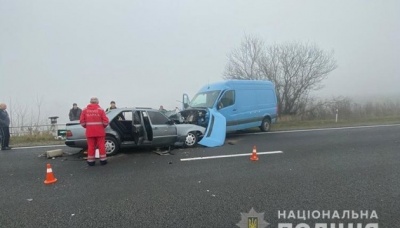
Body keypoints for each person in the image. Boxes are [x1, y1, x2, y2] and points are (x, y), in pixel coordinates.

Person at [80, 97, 109, 166]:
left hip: (90, 132)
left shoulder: (85, 110)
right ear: (97, 102)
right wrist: (102, 127)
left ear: (90, 102)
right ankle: (103, 160)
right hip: (100, 131)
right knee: (101, 146)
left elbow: (82, 122)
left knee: (91, 146)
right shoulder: (100, 110)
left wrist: (87, 127)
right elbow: (106, 122)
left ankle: (91, 161)